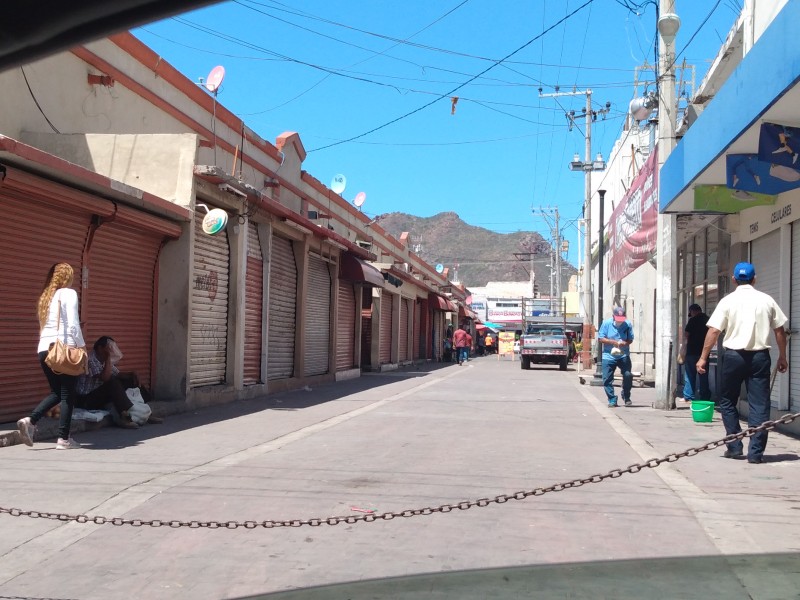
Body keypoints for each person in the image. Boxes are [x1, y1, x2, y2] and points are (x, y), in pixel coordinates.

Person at [697, 262, 788, 464]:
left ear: (734, 279)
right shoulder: (767, 300)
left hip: (733, 358)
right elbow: (780, 330)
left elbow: (713, 331)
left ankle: (735, 445)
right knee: (759, 405)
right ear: (755, 279)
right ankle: (755, 453)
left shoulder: (727, 301)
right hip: (760, 358)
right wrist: (783, 356)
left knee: (728, 401)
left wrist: (703, 357)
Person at [17, 263, 86, 450]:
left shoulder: (45, 297)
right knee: (68, 395)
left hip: (44, 350)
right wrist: (81, 346)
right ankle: (64, 439)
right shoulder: (68, 293)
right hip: (62, 349)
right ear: (68, 277)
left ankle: (30, 421)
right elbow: (72, 322)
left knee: (58, 392)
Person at [76, 336, 163, 427]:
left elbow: (117, 373)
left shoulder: (103, 360)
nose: (111, 351)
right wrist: (108, 357)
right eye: (108, 348)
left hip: (99, 395)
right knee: (112, 382)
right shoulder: (90, 360)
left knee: (130, 380)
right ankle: (124, 416)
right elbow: (105, 377)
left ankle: (146, 414)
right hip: (87, 400)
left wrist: (131, 374)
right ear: (100, 348)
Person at [597, 306, 634, 408]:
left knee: (628, 375)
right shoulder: (606, 324)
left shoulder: (628, 324)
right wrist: (612, 342)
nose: (620, 322)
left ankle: (626, 395)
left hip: (623, 354)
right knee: (607, 379)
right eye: (618, 319)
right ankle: (612, 398)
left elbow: (630, 339)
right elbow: (600, 338)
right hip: (609, 355)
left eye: (622, 319)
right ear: (613, 316)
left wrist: (625, 343)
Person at [680, 303, 710, 403]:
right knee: (703, 375)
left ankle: (688, 396)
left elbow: (687, 334)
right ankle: (704, 396)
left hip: (692, 351)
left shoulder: (693, 320)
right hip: (704, 353)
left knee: (689, 374)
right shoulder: (708, 319)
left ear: (693, 311)